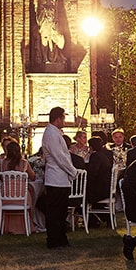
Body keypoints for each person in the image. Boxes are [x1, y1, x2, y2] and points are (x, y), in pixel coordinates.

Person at [41, 107, 77, 249]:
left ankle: (61, 237)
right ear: (58, 119)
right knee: (55, 211)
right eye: (63, 118)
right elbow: (59, 157)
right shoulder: (51, 134)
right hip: (55, 178)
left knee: (61, 211)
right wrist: (73, 171)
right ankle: (54, 239)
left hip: (61, 179)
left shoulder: (55, 133)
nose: (64, 121)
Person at [25, 0, 65, 64]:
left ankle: (55, 56)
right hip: (44, 15)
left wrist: (57, 17)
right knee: (45, 37)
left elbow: (57, 6)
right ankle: (45, 59)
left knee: (58, 36)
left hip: (53, 16)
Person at [0, 141, 37, 234]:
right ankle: (27, 225)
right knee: (32, 194)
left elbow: (1, 179)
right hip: (21, 197)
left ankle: (5, 227)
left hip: (5, 197)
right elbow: (33, 177)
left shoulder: (3, 163)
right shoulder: (24, 163)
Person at [85, 137, 113, 228]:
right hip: (106, 188)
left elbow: (93, 174)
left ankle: (92, 221)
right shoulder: (104, 155)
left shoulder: (95, 156)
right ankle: (105, 218)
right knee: (93, 201)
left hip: (100, 190)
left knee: (81, 199)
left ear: (92, 147)